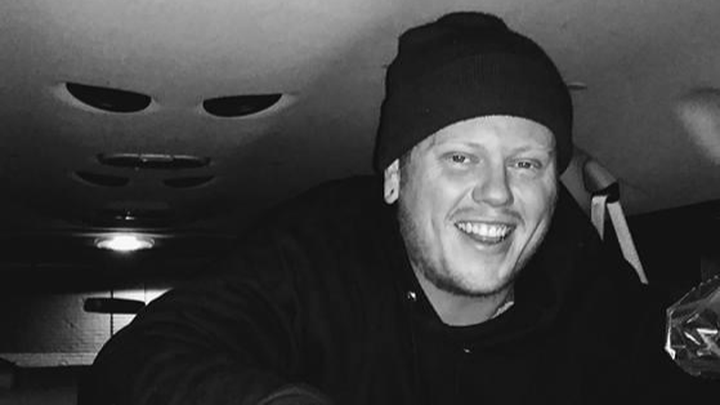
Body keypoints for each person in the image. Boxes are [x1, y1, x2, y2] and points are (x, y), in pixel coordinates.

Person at [82, 11, 686, 405]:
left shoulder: (584, 282)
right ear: (395, 176)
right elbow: (133, 365)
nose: (499, 193)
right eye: (461, 158)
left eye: (526, 164)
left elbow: (665, 363)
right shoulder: (317, 251)